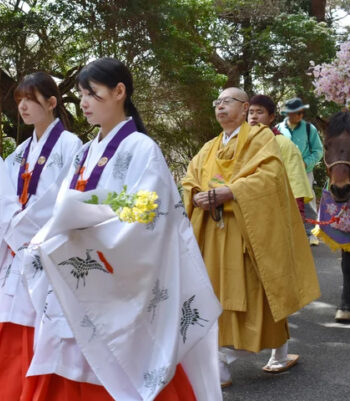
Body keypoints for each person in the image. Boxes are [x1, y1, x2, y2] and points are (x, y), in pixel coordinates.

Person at [23, 57, 222, 400]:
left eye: (92, 93)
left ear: (119, 92)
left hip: (118, 279)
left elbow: (150, 221)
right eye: (82, 94)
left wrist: (85, 232)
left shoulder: (143, 149)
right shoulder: (83, 153)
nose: (83, 102)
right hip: (82, 279)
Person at [182, 87, 321, 387]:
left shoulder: (261, 138)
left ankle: (224, 359)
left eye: (227, 102)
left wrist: (231, 191)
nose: (219, 107)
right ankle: (258, 354)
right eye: (216, 102)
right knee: (216, 295)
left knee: (258, 290)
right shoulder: (209, 146)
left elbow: (270, 177)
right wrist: (196, 195)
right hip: (213, 233)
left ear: (245, 108)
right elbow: (190, 178)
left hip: (247, 233)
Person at [0, 72, 84, 401]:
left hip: (47, 252)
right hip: (16, 255)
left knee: (45, 327)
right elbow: (0, 198)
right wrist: (4, 214)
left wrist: (16, 221)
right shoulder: (20, 151)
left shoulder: (72, 146)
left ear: (52, 102)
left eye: (31, 99)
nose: (24, 106)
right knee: (5, 322)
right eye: (19, 100)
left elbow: (62, 199)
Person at [248, 95, 315, 217]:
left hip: (276, 207)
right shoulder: (241, 143)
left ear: (271, 117)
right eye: (251, 112)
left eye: (259, 112)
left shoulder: (285, 142)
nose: (254, 116)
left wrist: (297, 212)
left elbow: (295, 180)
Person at [277, 97, 324, 245]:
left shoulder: (310, 129)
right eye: (290, 113)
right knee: (283, 200)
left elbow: (318, 151)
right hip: (283, 171)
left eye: (297, 113)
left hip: (304, 171)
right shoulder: (278, 129)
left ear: (301, 113)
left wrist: (306, 163)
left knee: (307, 201)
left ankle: (311, 233)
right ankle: (286, 232)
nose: (294, 116)